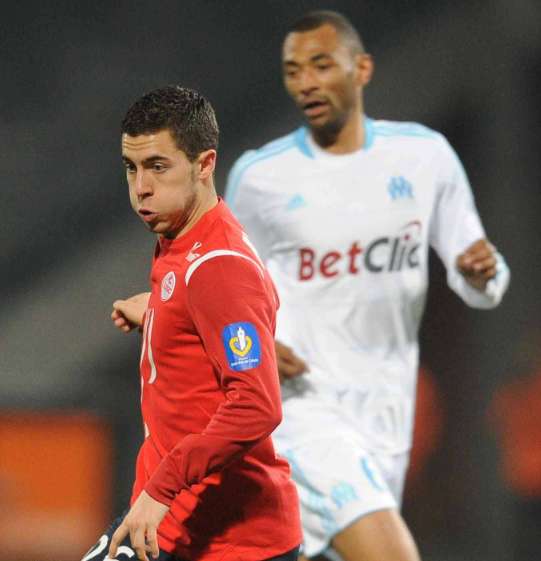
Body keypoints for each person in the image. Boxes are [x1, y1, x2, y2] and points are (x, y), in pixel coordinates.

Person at [223, 10, 510, 561]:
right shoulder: (261, 177)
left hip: (386, 411)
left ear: (362, 69)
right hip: (300, 407)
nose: (306, 82)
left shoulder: (424, 157)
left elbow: (479, 271)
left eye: (321, 65)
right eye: (293, 71)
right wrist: (250, 344)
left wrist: (483, 272)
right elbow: (221, 287)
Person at [84, 85, 301, 561]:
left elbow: (256, 406)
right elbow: (208, 320)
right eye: (131, 168)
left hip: (231, 542)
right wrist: (159, 313)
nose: (141, 187)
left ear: (205, 164)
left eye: (158, 167)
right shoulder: (181, 240)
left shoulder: (219, 266)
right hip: (174, 523)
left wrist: (162, 488)